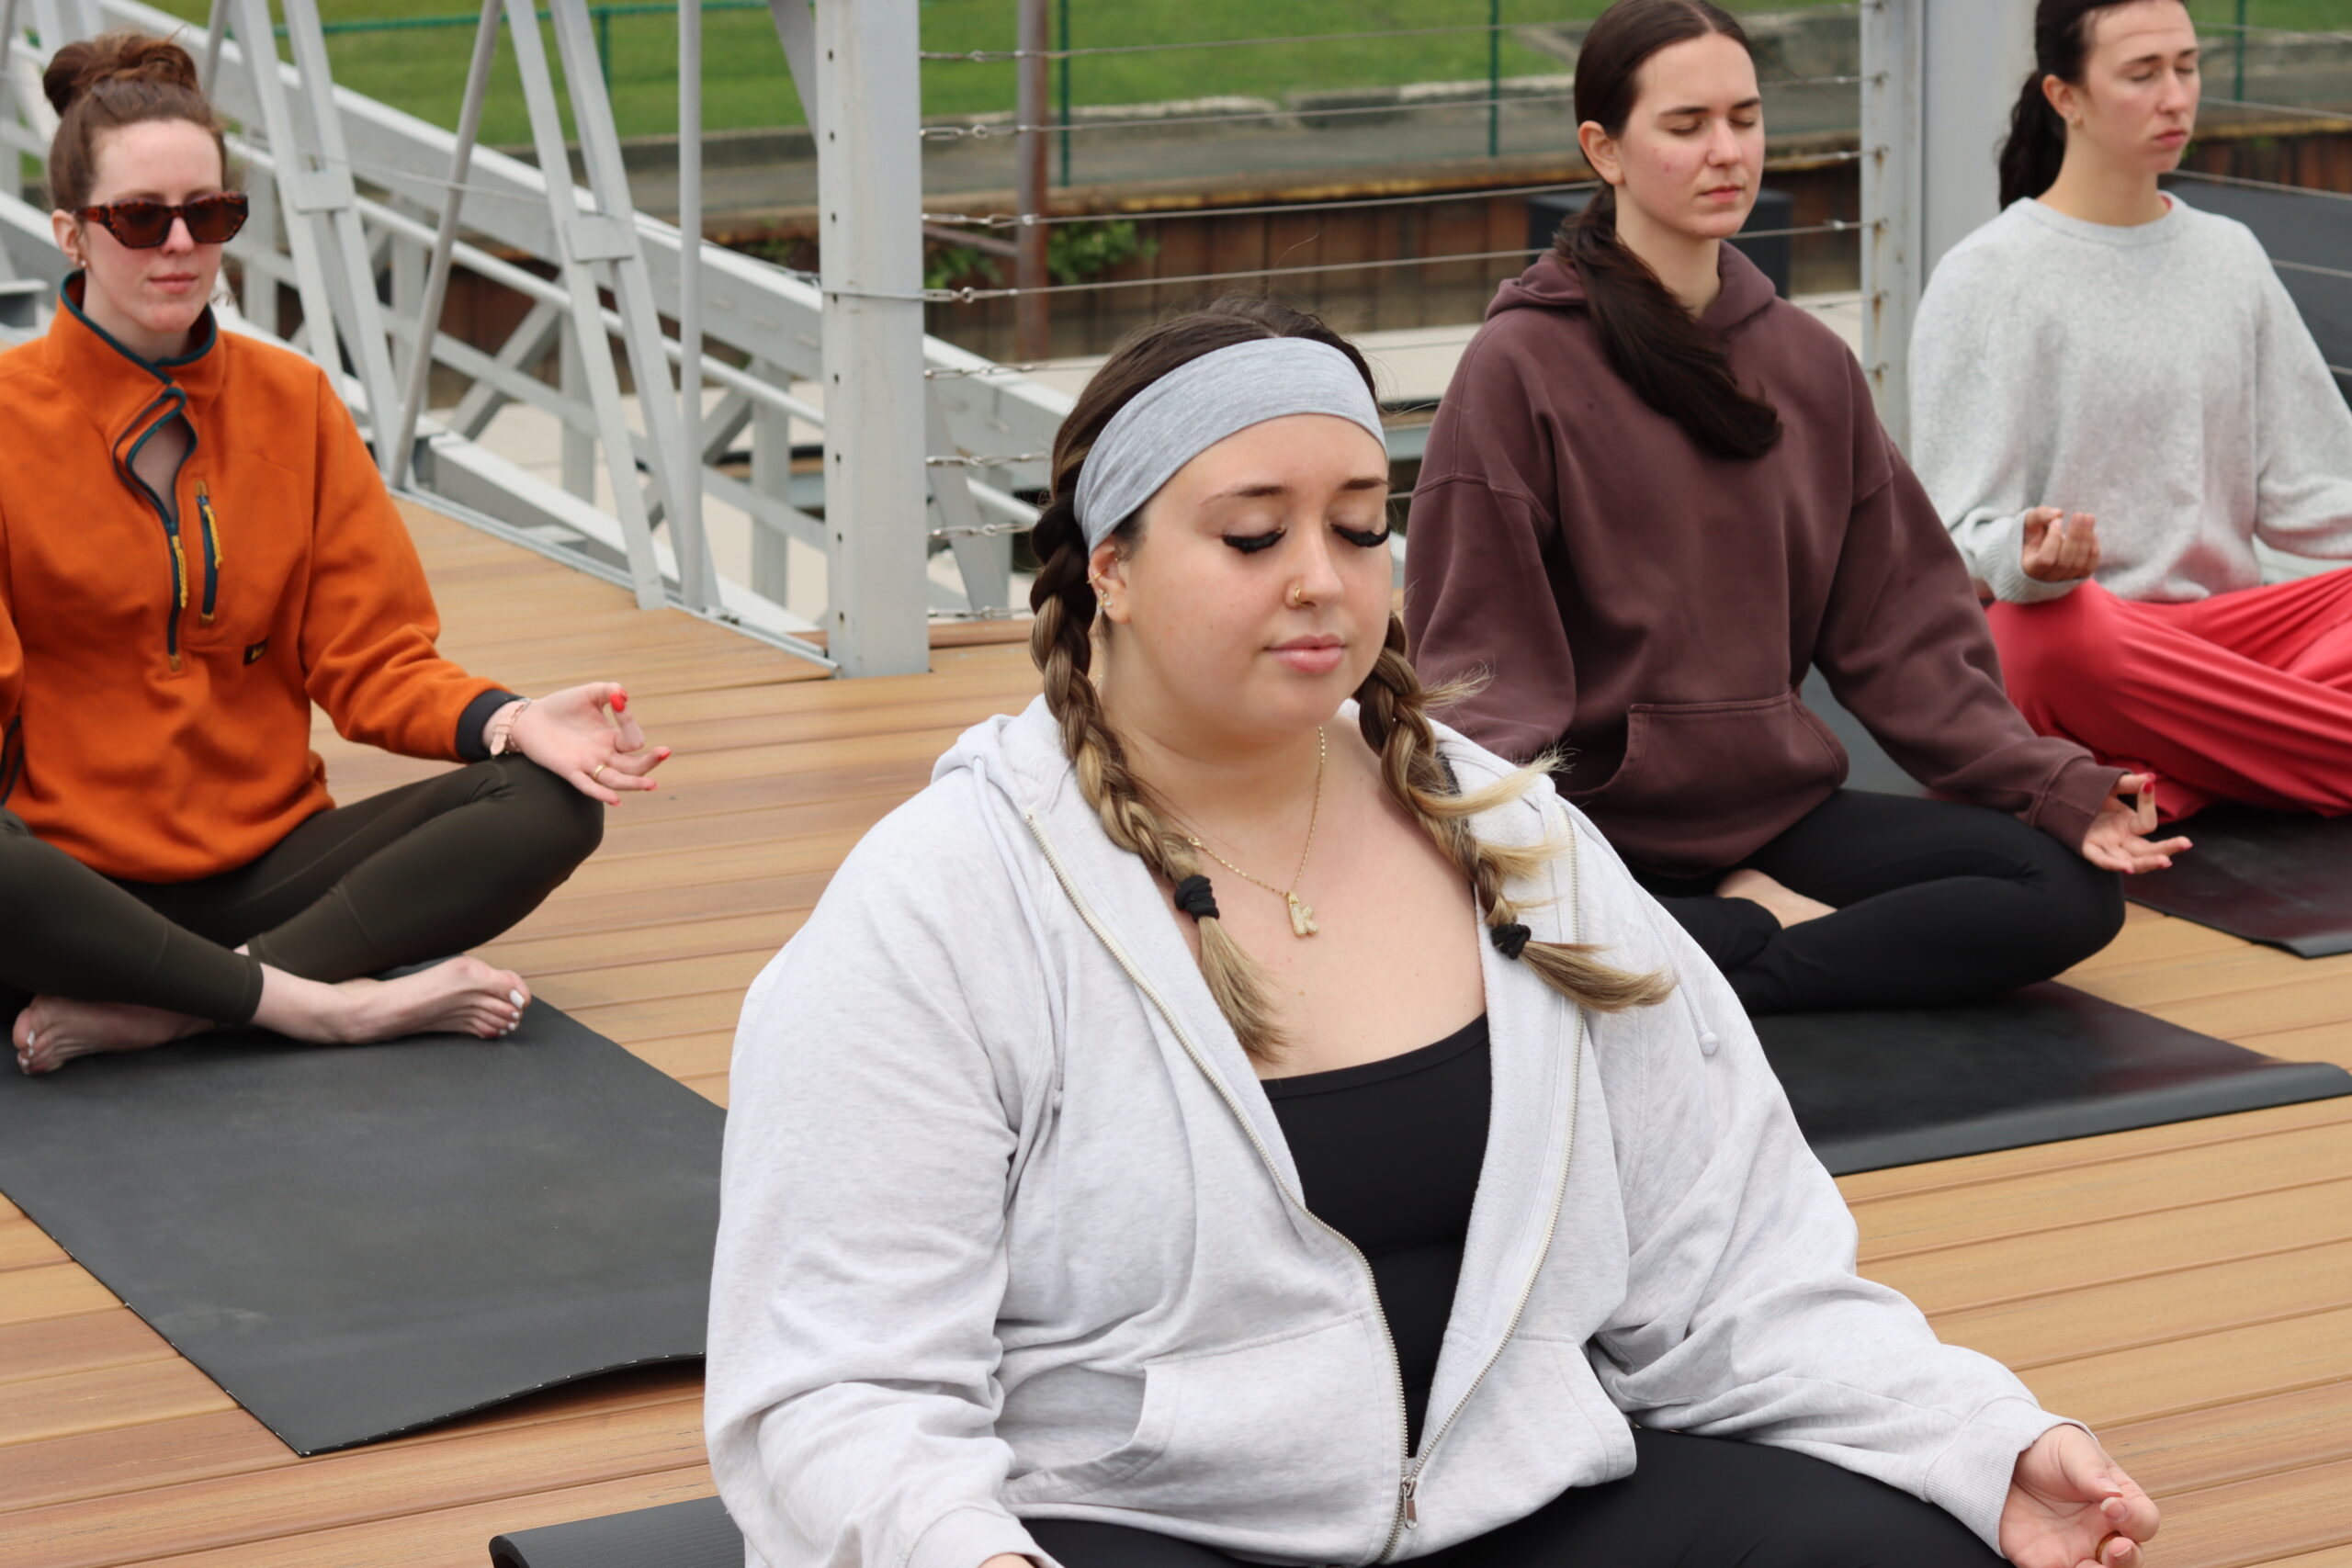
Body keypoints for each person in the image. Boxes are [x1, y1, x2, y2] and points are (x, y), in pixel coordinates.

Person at [706, 297, 2161, 1568]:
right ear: (1113, 566)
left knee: (1908, 1547)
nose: (1322, 578)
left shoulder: (1516, 837)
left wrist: (1979, 1442)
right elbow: (840, 1386)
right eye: (1252, 532)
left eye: (1357, 523)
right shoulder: (944, 905)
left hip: (1505, 1496)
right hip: (1129, 1525)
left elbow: (1735, 1273)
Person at [1402, 0, 2185, 1018]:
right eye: (1685, 127)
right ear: (1604, 149)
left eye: (1745, 118)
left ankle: (1737, 954)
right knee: (1509, 925)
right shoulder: (1519, 368)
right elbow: (1478, 668)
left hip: (1775, 814)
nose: (1726, 152)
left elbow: (1903, 629)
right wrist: (1502, 853)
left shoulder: (1808, 366)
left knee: (2069, 891)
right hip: (1596, 824)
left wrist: (2050, 786)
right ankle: (1726, 930)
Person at [0, 33, 669, 1077]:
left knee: (549, 797)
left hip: (267, 865)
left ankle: (191, 1005)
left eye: (209, 214)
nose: (179, 244)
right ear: (72, 234)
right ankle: (325, 1004)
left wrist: (514, 717)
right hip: (69, 888)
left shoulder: (294, 402)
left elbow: (372, 657)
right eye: (139, 218)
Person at [1910, 0, 2352, 823]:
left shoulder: (2229, 255)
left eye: (2186, 67)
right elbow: (1951, 535)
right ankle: (2241, 755)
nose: (2176, 97)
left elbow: (2316, 492)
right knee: (2046, 637)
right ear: (2065, 96)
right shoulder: (1988, 276)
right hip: (2086, 640)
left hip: (2229, 641)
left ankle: (2166, 781)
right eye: (2142, 74)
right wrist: (2028, 558)